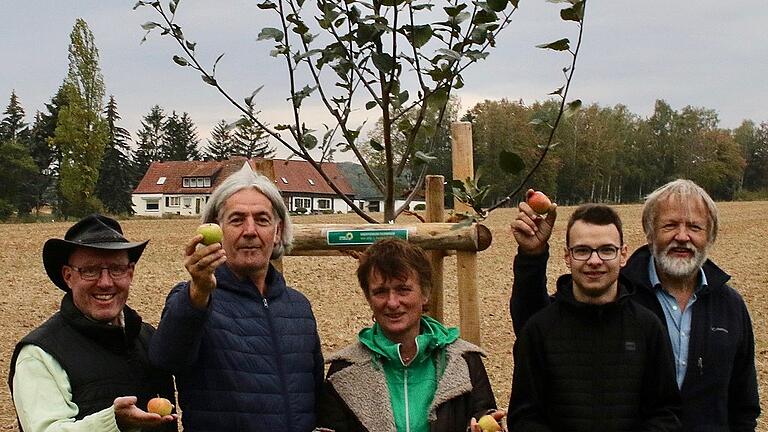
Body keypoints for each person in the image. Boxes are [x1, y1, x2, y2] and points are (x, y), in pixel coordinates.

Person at [509, 181, 761, 430]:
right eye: (670, 225)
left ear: (709, 236)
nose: (682, 236)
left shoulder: (730, 307)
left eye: (695, 227)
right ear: (650, 233)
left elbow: (743, 406)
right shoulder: (618, 293)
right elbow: (538, 325)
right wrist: (532, 257)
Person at [149, 165, 324, 431]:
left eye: (262, 219)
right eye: (237, 219)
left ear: (277, 232)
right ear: (215, 230)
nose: (250, 230)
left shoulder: (297, 306)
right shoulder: (194, 300)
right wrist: (198, 292)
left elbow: (314, 396)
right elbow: (167, 359)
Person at [508, 204, 682, 431]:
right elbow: (524, 417)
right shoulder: (540, 330)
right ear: (567, 257)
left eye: (607, 250)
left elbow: (666, 414)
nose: (594, 260)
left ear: (623, 255)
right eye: (582, 250)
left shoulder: (647, 328)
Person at [8, 214, 177, 432]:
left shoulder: (148, 338)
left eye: (116, 269)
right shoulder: (40, 354)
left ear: (130, 273)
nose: (105, 282)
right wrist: (113, 422)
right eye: (90, 270)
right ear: (68, 276)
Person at [317, 237, 504, 432]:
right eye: (381, 292)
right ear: (368, 298)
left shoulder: (463, 361)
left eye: (403, 290)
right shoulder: (345, 371)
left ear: (425, 293)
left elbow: (484, 416)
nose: (392, 302)